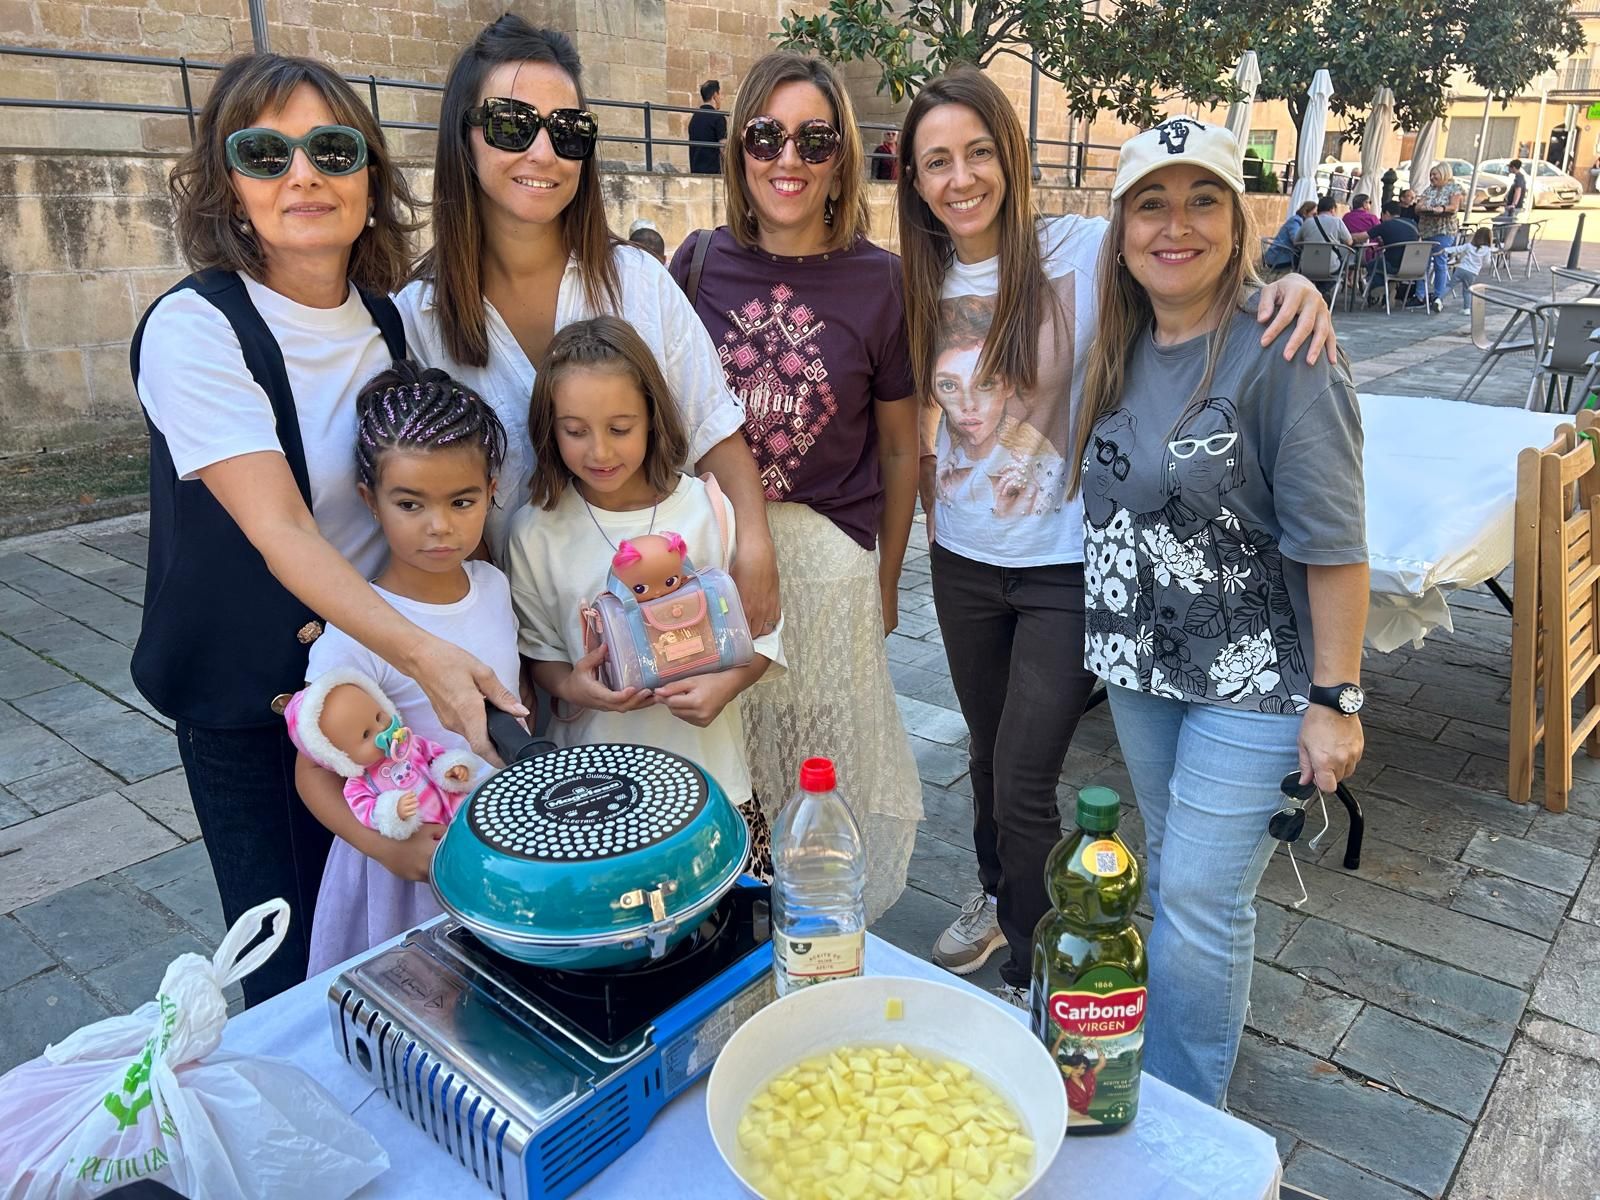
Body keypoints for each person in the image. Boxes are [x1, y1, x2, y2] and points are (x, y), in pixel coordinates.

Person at [894, 74, 1336, 1006]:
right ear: (915, 179)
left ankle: (1031, 971)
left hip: (1066, 565)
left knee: (1023, 776)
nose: (961, 176)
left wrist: (1290, 285)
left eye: (979, 152)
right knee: (985, 756)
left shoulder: (1082, 248)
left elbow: (1185, 256)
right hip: (965, 560)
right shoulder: (913, 281)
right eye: (938, 160)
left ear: (1011, 158)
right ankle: (1001, 891)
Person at [130, 53, 524, 1006]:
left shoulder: (392, 324)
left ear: (370, 177)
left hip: (369, 683)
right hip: (249, 697)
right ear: (230, 183)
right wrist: (430, 656)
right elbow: (283, 533)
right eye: (265, 153)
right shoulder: (196, 329)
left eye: (331, 148)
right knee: (282, 959)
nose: (301, 174)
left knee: (387, 929)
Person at [1072, 117, 1368, 1106]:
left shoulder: (1282, 347)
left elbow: (1332, 540)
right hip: (1141, 672)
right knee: (1173, 882)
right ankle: (1161, 1081)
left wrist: (1337, 697)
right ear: (1119, 229)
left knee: (1200, 897)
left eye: (1203, 200)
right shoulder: (1116, 344)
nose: (1175, 225)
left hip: (1255, 678)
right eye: (1150, 202)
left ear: (1238, 222)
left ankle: (1183, 1127)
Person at [396, 16, 779, 636]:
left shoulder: (638, 283)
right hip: (507, 639)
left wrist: (756, 547)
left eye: (568, 131)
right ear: (462, 135)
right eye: (511, 125)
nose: (543, 153)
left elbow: (714, 429)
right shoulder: (417, 318)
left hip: (663, 626)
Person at [667, 51, 923, 923]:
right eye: (766, 136)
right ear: (738, 149)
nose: (789, 160)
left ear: (842, 156)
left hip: (829, 569)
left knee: (818, 771)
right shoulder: (697, 266)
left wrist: (886, 582)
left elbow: (898, 450)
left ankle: (813, 933)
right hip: (721, 556)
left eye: (814, 140)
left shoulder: (881, 281)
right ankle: (729, 930)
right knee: (726, 757)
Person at [505, 317, 784, 872]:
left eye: (620, 426)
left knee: (731, 943)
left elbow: (765, 635)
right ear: (548, 428)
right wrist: (578, 688)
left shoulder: (708, 511)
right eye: (575, 430)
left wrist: (724, 686)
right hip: (591, 796)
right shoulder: (534, 532)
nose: (599, 450)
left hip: (713, 781)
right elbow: (540, 658)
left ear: (653, 418)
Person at [295, 362, 519, 975]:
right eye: (410, 503)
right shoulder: (360, 630)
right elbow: (313, 775)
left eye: (462, 501)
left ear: (491, 490)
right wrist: (385, 851)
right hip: (403, 862)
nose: (439, 525)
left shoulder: (494, 586)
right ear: (371, 500)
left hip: (490, 843)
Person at [1415, 161, 1465, 311]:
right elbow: (1418, 206)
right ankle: (1420, 295)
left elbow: (1453, 207)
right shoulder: (1429, 190)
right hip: (1426, 230)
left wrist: (1441, 208)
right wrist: (1423, 208)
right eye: (1431, 174)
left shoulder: (1453, 188)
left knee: (1439, 262)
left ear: (1443, 174)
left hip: (1443, 230)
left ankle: (1438, 296)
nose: (1432, 177)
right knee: (1422, 262)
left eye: (1434, 174)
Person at [1363, 199, 1421, 300]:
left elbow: (1362, 237)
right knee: (1381, 266)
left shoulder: (1385, 225)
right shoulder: (1413, 224)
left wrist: (1350, 236)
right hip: (1414, 267)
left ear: (1387, 213)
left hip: (1394, 267)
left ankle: (1379, 286)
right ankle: (1391, 286)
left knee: (1372, 264)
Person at [1446, 226, 1494, 314]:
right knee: (1467, 290)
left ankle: (1438, 299)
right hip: (1473, 272)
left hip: (1461, 269)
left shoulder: (1469, 246)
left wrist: (1445, 250)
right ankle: (1467, 309)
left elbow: (1457, 249)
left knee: (1449, 286)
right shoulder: (1487, 250)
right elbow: (1487, 262)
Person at [688, 77, 728, 175]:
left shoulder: (694, 117)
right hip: (713, 171)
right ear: (715, 95)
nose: (720, 98)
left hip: (695, 171)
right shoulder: (718, 117)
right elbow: (724, 147)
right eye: (719, 94)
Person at [1263, 200, 1316, 272]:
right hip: (1278, 258)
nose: (1315, 217)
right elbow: (1296, 240)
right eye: (1313, 214)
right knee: (1306, 263)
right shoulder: (1295, 221)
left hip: (1281, 255)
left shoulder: (1299, 221)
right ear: (1305, 213)